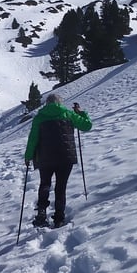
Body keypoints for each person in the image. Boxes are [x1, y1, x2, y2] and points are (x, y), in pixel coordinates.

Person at [24, 94, 92, 228]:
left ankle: (41, 214)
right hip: (65, 157)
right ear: (60, 103)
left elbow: (33, 138)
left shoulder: (39, 117)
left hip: (45, 157)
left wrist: (28, 156)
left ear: (47, 103)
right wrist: (81, 113)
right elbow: (87, 126)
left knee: (45, 184)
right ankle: (59, 218)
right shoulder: (68, 114)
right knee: (61, 186)